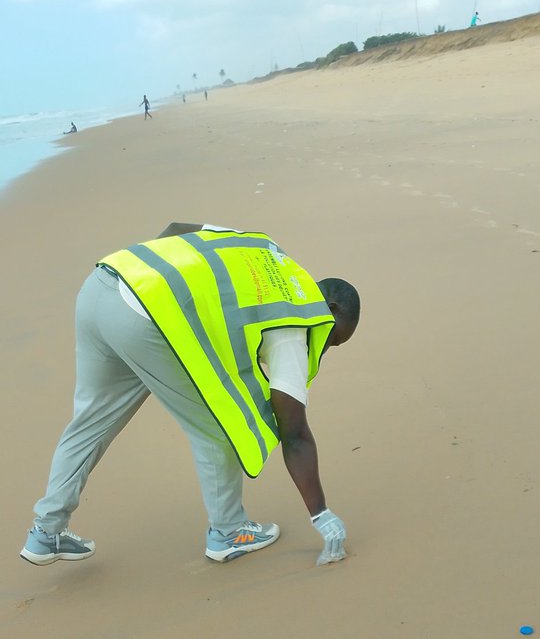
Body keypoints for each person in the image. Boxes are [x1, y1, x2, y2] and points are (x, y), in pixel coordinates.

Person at [20, 224, 360, 568]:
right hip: (147, 319)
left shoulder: (267, 251)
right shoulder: (294, 323)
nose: (326, 346)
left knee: (90, 422)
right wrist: (321, 515)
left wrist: (145, 287)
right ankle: (229, 532)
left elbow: (180, 228)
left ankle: (46, 531)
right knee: (222, 424)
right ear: (329, 307)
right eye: (334, 338)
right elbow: (295, 434)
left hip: (105, 284)